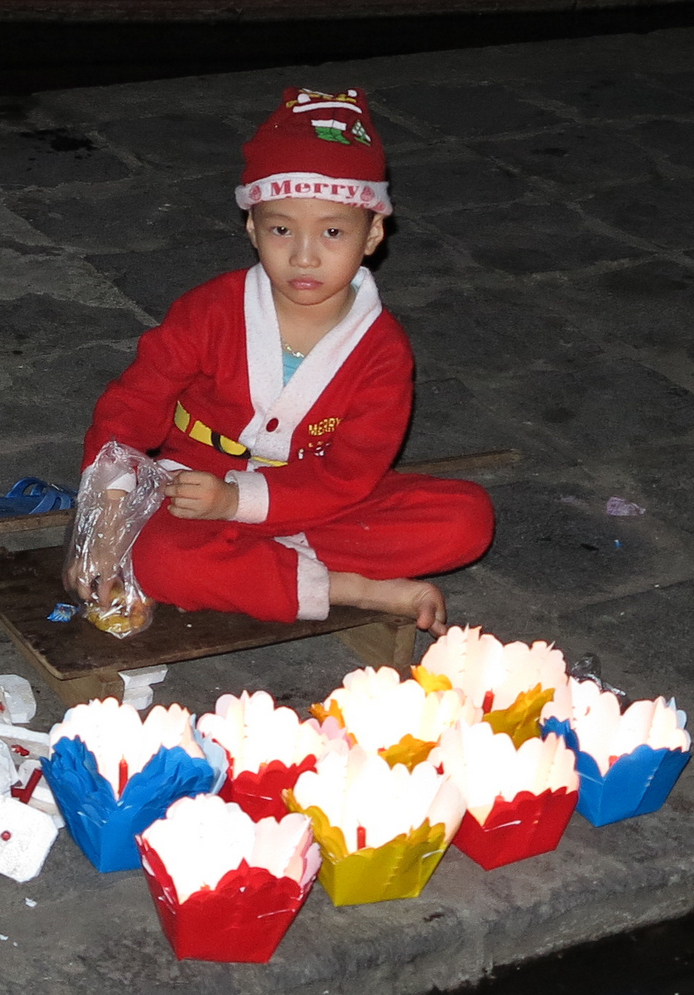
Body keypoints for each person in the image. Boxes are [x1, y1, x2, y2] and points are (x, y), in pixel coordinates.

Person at [70, 87, 494, 637]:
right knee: (160, 559)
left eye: (333, 231)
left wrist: (238, 503)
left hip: (318, 503)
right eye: (281, 229)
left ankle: (267, 566)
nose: (304, 255)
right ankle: (353, 587)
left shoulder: (381, 349)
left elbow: (351, 473)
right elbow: (132, 407)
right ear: (252, 228)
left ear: (374, 234)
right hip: (190, 493)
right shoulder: (210, 312)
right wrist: (106, 517)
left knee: (466, 520)